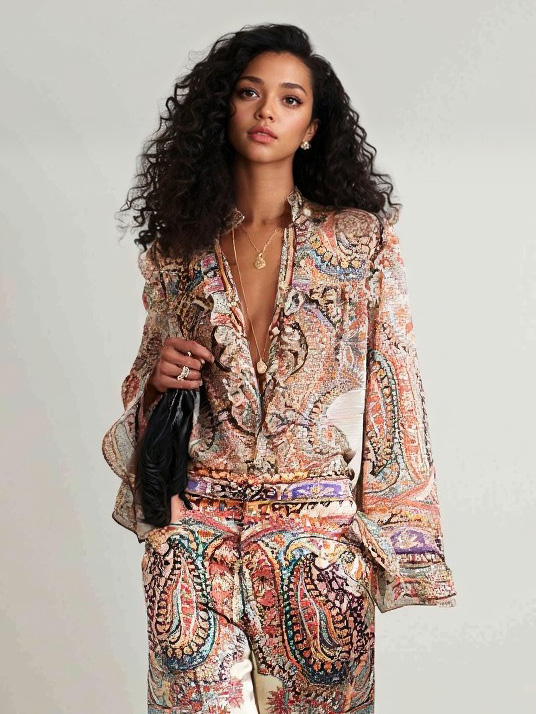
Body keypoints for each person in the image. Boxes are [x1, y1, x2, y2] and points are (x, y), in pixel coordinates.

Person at [102, 22, 457, 714]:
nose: (267, 111)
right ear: (223, 109)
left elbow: (395, 390)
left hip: (319, 551)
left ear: (312, 129)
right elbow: (146, 389)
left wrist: (387, 542)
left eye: (290, 99)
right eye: (249, 92)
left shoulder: (361, 241)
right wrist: (156, 385)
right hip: (194, 544)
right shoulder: (179, 250)